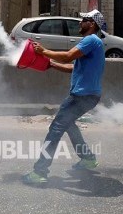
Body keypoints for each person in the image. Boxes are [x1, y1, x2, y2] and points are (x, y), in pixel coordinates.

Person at [22, 9, 106, 184]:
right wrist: (50, 64)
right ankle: (88, 158)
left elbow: (68, 57)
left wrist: (44, 51)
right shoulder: (92, 43)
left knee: (56, 129)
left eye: (84, 20)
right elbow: (72, 67)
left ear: (92, 24)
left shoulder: (91, 40)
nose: (80, 22)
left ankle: (40, 172)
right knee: (68, 125)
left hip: (81, 96)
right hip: (89, 95)